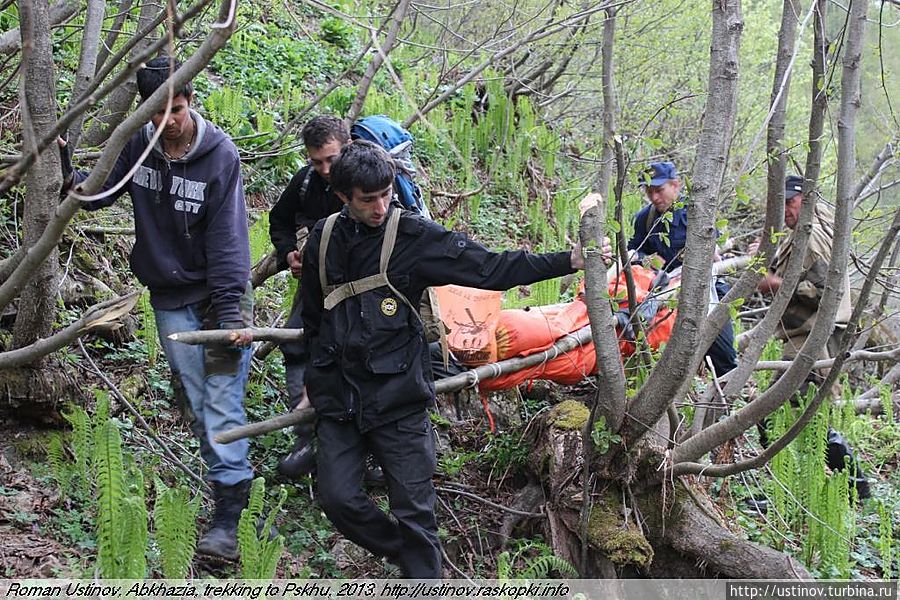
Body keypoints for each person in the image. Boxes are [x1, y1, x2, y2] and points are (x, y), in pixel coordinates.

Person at [299, 140, 588, 578]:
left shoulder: (413, 237)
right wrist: (308, 380)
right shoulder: (322, 238)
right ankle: (408, 553)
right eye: (367, 200)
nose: (380, 207)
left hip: (397, 400)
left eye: (386, 194)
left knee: (415, 514)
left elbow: (491, 268)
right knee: (338, 498)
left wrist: (569, 260)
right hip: (341, 399)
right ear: (342, 197)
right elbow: (312, 316)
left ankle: (422, 570)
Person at [65, 56, 257, 558]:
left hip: (220, 301)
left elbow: (230, 239)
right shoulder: (140, 146)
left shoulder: (220, 156)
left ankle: (230, 524)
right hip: (170, 297)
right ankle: (234, 499)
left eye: (176, 109)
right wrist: (67, 172)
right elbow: (100, 194)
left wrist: (233, 312)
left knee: (220, 401)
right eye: (157, 113)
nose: (167, 122)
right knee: (199, 401)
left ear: (190, 101)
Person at [754, 175, 869, 499]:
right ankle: (791, 489)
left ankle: (856, 490)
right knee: (791, 415)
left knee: (779, 413)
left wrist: (773, 283)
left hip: (814, 339)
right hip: (805, 336)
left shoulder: (814, 234)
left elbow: (822, 292)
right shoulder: (805, 232)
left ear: (804, 200)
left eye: (790, 203)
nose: (785, 210)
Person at [268, 115, 349, 479]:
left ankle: (366, 452)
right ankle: (305, 441)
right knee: (298, 346)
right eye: (317, 162)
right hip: (316, 289)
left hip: (363, 293)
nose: (326, 169)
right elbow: (279, 220)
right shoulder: (306, 183)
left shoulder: (368, 179)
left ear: (347, 147)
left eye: (332, 159)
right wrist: (289, 254)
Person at [627, 161, 738, 376]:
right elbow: (633, 253)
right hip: (664, 296)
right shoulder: (645, 219)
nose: (654, 198)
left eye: (659, 190)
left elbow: (714, 254)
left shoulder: (697, 213)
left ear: (676, 185)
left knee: (723, 354)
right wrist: (648, 260)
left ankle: (726, 404)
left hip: (705, 291)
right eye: (649, 192)